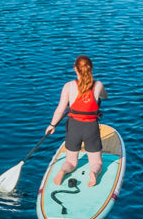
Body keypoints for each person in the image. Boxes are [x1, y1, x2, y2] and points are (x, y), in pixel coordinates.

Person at [45, 55, 107, 187]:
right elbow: (105, 97)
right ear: (91, 68)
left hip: (74, 127)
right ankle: (94, 173)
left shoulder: (68, 86)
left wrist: (52, 125)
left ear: (75, 69)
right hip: (91, 127)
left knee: (71, 162)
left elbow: (60, 109)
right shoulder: (98, 85)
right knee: (96, 163)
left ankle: (63, 171)